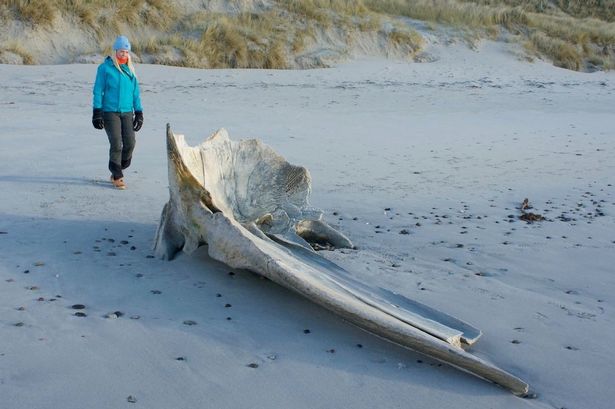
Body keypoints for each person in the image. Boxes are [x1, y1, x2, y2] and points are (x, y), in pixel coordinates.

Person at [92, 35, 144, 190]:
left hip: (127, 112)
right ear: (115, 51)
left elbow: (136, 94)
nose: (124, 54)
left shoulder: (130, 71)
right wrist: (97, 112)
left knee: (130, 143)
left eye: (126, 52)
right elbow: (97, 91)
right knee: (116, 143)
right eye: (121, 51)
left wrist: (139, 113)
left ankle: (117, 167)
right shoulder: (105, 68)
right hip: (110, 112)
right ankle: (117, 176)